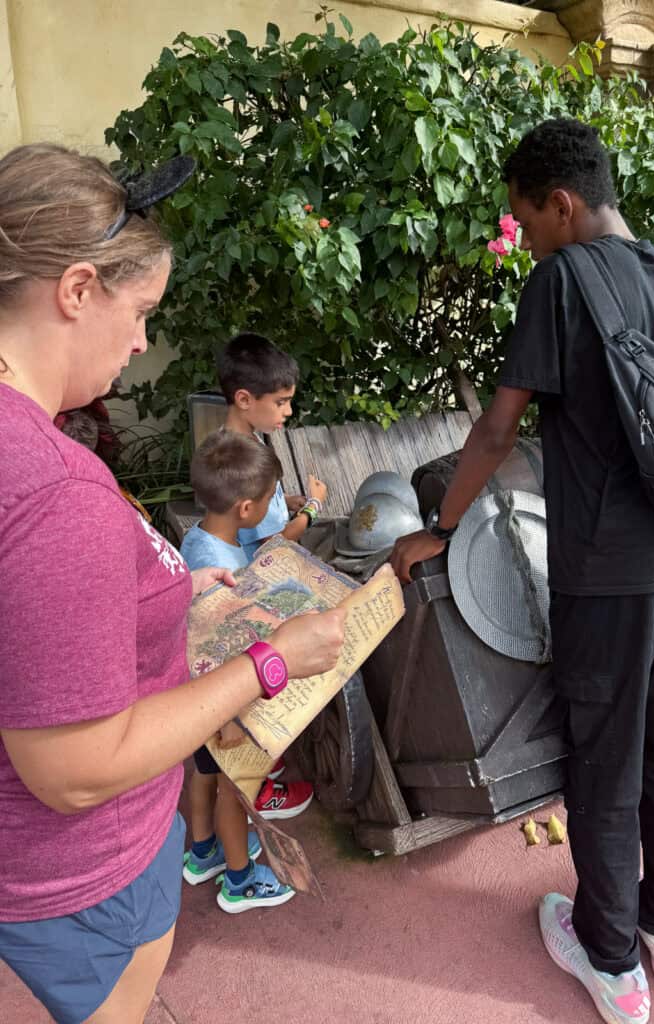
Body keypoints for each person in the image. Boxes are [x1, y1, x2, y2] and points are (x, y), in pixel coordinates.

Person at [0, 143, 346, 1024]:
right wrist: (270, 661)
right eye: (141, 309)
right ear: (76, 291)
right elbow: (75, 769)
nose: (145, 339)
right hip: (84, 873)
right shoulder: (51, 491)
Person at [391, 119, 654, 1024]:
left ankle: (610, 959)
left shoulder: (561, 280)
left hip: (611, 575)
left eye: (525, 218)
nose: (525, 235)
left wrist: (439, 525)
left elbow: (499, 428)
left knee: (604, 763)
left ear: (561, 204)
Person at [180, 430, 313, 911]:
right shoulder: (220, 562)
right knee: (236, 794)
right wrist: (230, 717)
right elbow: (214, 648)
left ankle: (202, 853)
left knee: (203, 776)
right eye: (268, 500)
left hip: (195, 701)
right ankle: (239, 881)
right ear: (246, 509)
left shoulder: (199, 541)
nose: (270, 509)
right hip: (222, 705)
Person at [216, 332, 327, 559]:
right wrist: (313, 507)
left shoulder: (234, 442)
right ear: (244, 400)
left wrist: (283, 501)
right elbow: (271, 546)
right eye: (280, 402)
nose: (288, 411)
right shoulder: (246, 463)